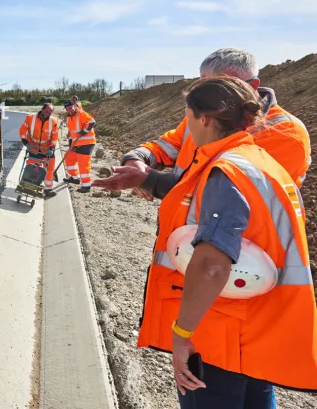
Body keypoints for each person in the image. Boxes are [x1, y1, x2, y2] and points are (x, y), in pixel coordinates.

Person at [136, 76, 317, 406]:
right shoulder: (262, 163)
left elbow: (212, 266)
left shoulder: (226, 172)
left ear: (204, 119)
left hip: (220, 330)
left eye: (188, 118)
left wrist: (182, 335)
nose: (187, 129)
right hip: (255, 323)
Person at [93, 48, 311, 199]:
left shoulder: (285, 132)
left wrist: (150, 181)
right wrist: (135, 161)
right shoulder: (203, 114)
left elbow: (227, 196)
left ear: (252, 85)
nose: (211, 99)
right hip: (180, 234)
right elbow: (164, 147)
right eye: (206, 88)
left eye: (222, 89)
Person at [19, 103, 59, 197]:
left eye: (49, 113)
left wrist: (52, 148)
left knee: (50, 168)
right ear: (42, 109)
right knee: (32, 168)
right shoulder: (30, 118)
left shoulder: (53, 121)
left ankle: (48, 189)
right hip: (33, 148)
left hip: (47, 149)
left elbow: (54, 137)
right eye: (46, 111)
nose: (47, 114)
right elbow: (22, 131)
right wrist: (26, 143)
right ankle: (28, 186)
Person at [63, 99, 96, 193]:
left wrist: (83, 132)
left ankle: (86, 185)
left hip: (86, 143)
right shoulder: (69, 117)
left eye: (70, 107)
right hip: (76, 143)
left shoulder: (81, 113)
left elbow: (92, 122)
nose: (69, 110)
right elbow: (71, 132)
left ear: (74, 106)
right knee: (68, 157)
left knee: (83, 164)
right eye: (67, 109)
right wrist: (71, 145)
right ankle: (75, 178)